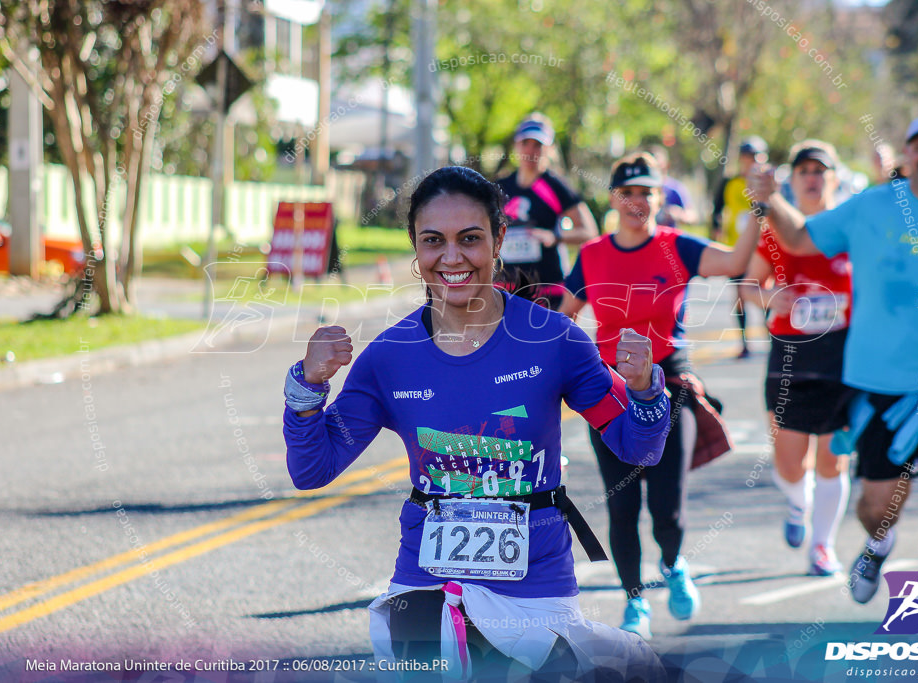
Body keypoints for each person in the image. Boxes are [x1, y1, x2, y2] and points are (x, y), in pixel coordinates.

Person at [283, 166, 669, 681]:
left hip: (536, 589)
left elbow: (638, 449)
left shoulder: (554, 340)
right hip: (425, 588)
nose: (452, 257)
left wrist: (645, 389)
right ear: (415, 250)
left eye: (470, 239)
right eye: (433, 241)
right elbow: (313, 469)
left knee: (634, 670)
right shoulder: (389, 357)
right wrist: (306, 388)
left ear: (498, 238)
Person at [747, 113, 918, 635]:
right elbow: (802, 239)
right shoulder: (872, 206)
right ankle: (880, 543)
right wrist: (769, 197)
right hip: (878, 382)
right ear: (907, 155)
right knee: (876, 505)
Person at [561, 152, 759, 639]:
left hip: (671, 385)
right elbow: (558, 318)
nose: (637, 201)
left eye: (646, 192)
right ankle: (634, 603)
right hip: (610, 396)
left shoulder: (677, 247)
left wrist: (760, 208)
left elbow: (735, 261)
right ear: (614, 198)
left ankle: (673, 564)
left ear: (658, 196)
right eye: (628, 192)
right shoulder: (593, 255)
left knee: (667, 507)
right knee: (623, 505)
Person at [740, 140, 854, 577]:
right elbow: (747, 285)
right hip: (790, 359)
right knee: (790, 463)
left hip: (842, 358)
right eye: (804, 169)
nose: (812, 177)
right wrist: (771, 297)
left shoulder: (850, 229)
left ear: (833, 178)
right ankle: (797, 502)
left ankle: (823, 546)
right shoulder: (776, 231)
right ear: (794, 180)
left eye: (820, 170)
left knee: (832, 458)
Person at [495, 114, 597, 310]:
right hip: (505, 289)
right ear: (517, 146)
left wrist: (555, 236)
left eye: (538, 145)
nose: (531, 151)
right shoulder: (501, 186)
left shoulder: (556, 186)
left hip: (547, 291)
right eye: (526, 143)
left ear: (549, 149)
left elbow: (589, 231)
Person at [712, 135, 769, 358]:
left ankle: (772, 338)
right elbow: (717, 211)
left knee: (765, 293)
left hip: (764, 249)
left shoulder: (767, 184)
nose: (751, 161)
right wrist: (716, 232)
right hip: (736, 250)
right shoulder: (730, 182)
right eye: (747, 157)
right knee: (739, 296)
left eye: (755, 156)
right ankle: (744, 342)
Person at [649, 144, 700, 227]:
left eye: (658, 165)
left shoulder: (675, 188)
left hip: (668, 238)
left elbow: (693, 217)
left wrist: (678, 214)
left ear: (666, 165)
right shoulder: (642, 189)